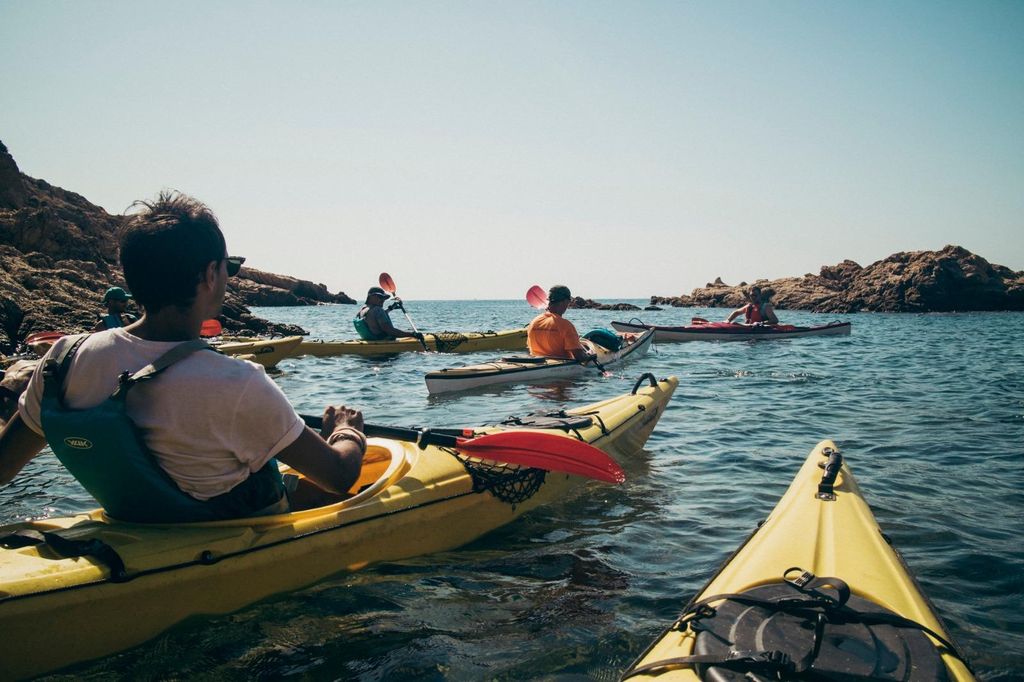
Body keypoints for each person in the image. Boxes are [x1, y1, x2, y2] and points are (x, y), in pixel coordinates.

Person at [0, 191, 366, 519]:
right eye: (229, 267)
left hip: (135, 523)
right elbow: (338, 476)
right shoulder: (238, 382)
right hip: (223, 533)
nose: (228, 276)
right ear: (210, 274)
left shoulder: (63, 359)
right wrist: (346, 431)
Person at [526, 285, 593, 361]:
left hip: (536, 363)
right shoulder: (566, 325)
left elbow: (529, 348)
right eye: (569, 301)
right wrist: (590, 355)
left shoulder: (534, 322)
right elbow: (580, 357)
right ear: (565, 301)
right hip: (561, 367)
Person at [353, 286, 424, 341]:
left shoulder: (362, 310)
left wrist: (392, 307)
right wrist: (412, 334)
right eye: (380, 297)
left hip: (371, 340)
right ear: (371, 297)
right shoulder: (378, 310)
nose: (383, 300)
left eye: (384, 298)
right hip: (382, 342)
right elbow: (390, 331)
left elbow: (375, 318)